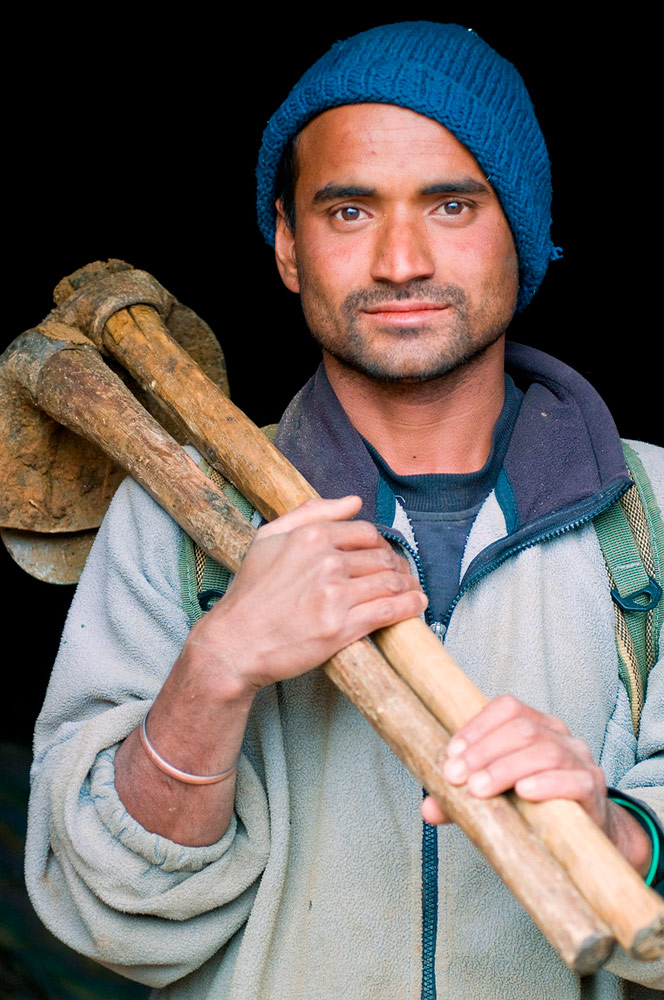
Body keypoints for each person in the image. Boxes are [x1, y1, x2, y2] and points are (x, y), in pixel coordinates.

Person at [25, 21, 663, 999]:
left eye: (451, 204)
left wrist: (617, 833)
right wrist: (218, 667)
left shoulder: (654, 511)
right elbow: (105, 916)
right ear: (286, 243)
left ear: (521, 231)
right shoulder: (171, 523)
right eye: (349, 211)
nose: (401, 260)